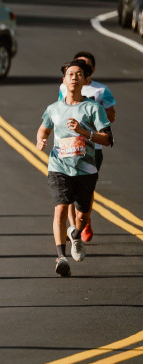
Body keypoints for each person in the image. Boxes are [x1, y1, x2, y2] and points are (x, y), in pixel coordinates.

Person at [37, 60, 112, 277]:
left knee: (83, 215)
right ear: (64, 80)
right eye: (70, 74)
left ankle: (76, 235)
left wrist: (84, 132)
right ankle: (61, 257)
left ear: (85, 80)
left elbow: (108, 139)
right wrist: (41, 140)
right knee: (60, 208)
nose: (74, 77)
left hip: (86, 168)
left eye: (79, 74)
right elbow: (43, 130)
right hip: (59, 165)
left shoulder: (93, 108)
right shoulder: (53, 109)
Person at [58, 51, 116, 242]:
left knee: (85, 189)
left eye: (86, 66)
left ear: (92, 69)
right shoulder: (64, 87)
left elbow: (111, 116)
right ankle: (73, 228)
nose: (81, 69)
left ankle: (85, 219)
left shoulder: (101, 90)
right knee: (68, 188)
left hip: (93, 148)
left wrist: (93, 118)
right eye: (77, 65)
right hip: (69, 145)